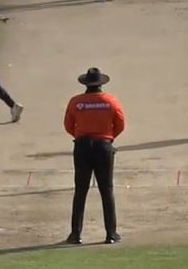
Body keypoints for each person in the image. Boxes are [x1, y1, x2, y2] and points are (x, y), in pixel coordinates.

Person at [63, 67, 125, 245]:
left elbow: (68, 125)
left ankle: (76, 234)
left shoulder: (76, 102)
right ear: (101, 84)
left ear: (86, 84)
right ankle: (111, 234)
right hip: (103, 147)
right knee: (107, 190)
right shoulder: (110, 101)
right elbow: (120, 124)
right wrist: (108, 137)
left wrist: (80, 136)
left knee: (80, 190)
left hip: (82, 147)